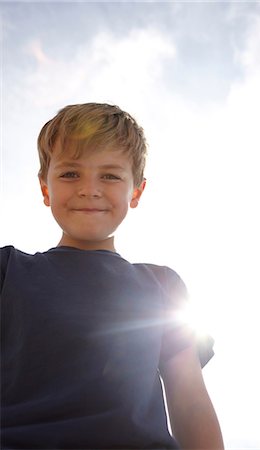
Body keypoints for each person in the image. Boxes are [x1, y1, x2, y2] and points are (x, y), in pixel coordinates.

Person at [0, 103, 224, 450]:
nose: (90, 189)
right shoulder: (7, 270)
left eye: (110, 175)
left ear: (136, 191)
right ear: (46, 189)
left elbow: (189, 399)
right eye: (70, 174)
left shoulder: (162, 285)